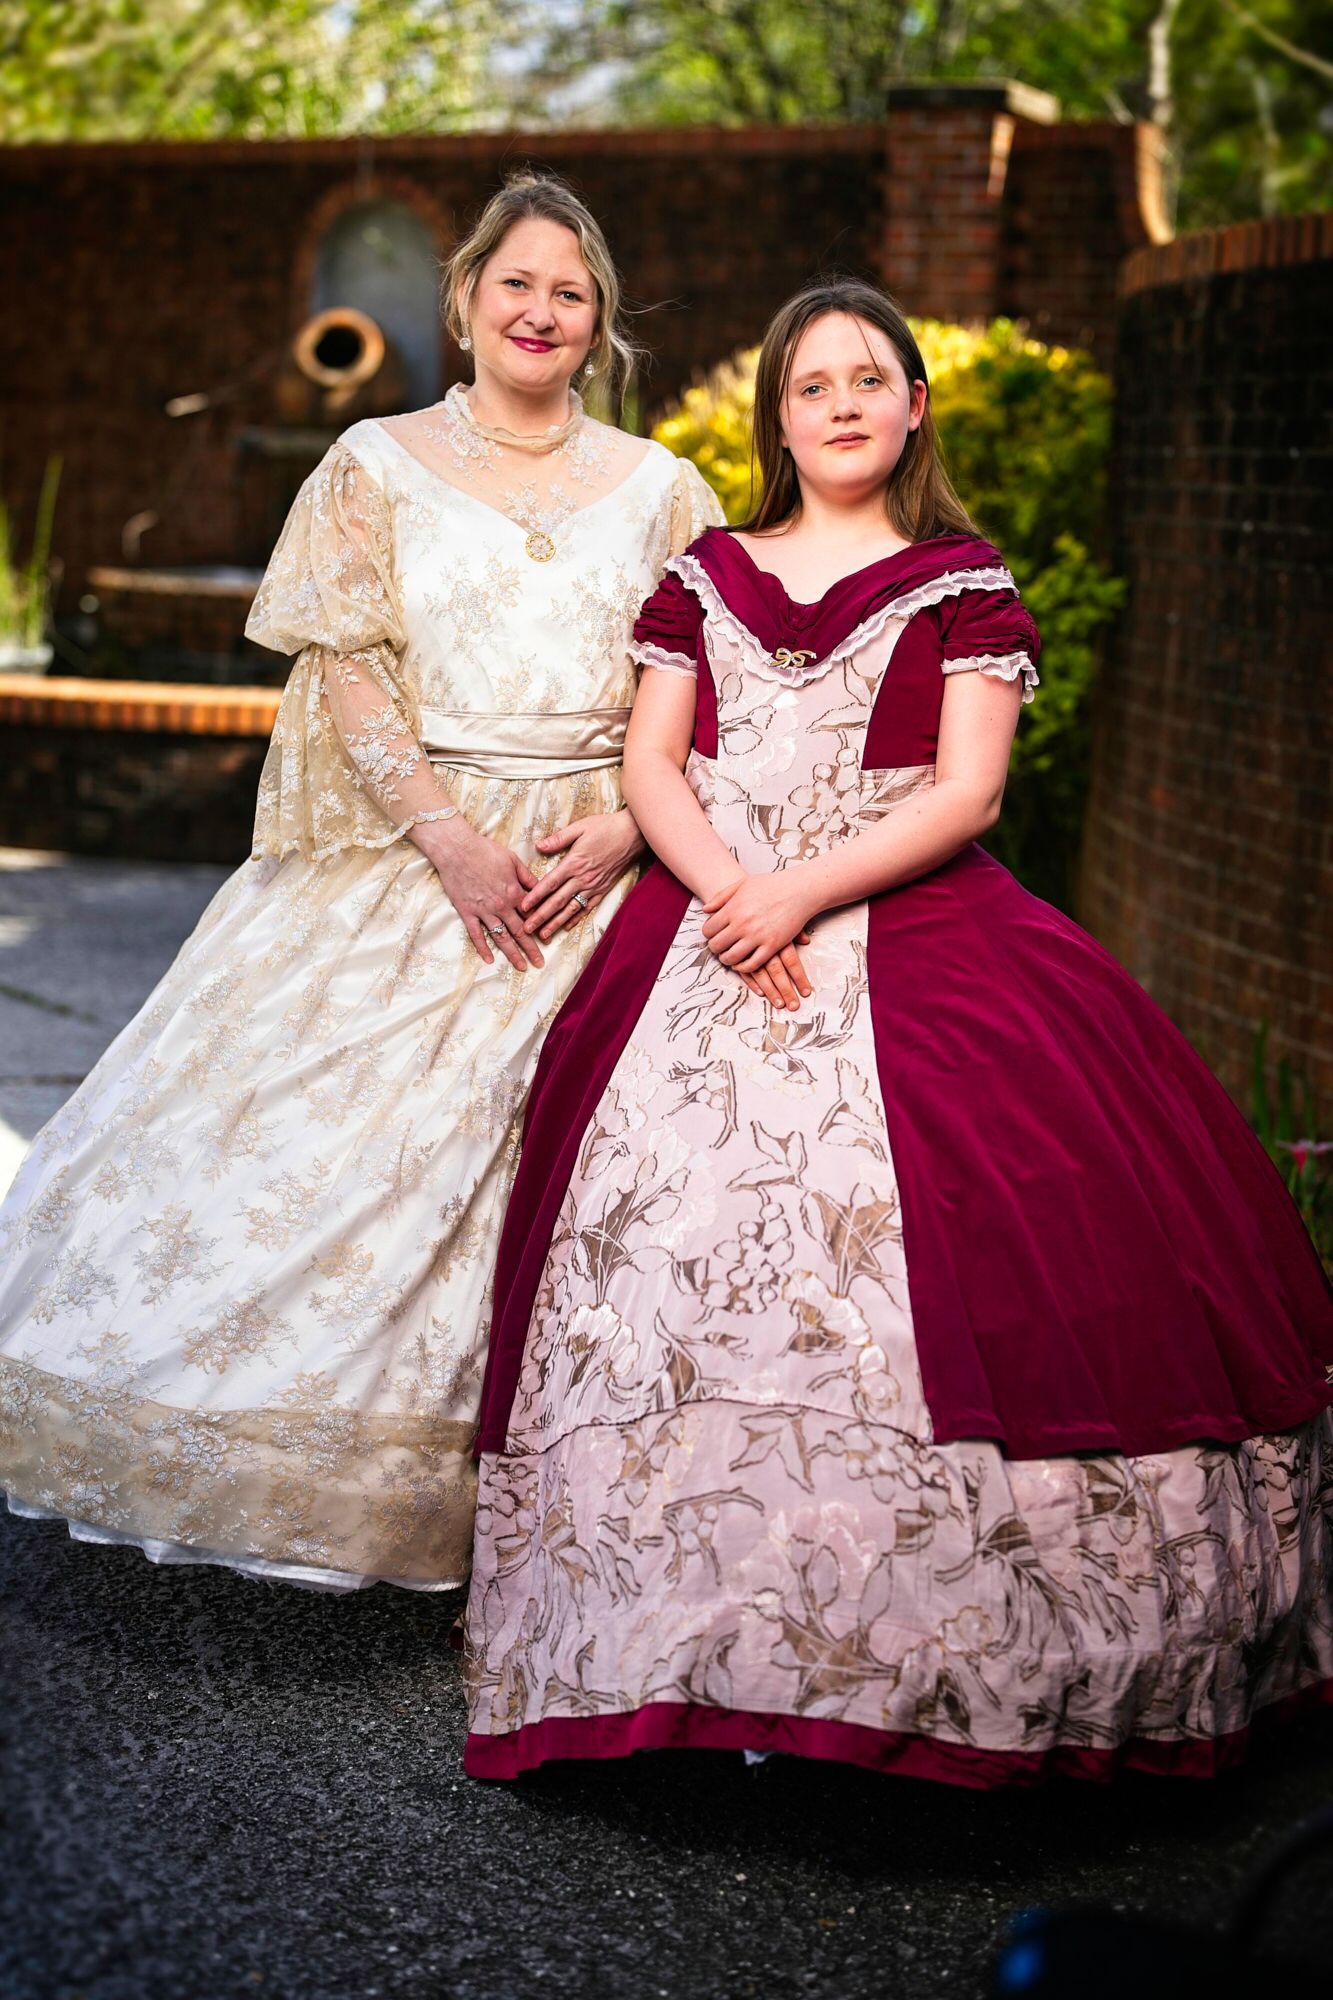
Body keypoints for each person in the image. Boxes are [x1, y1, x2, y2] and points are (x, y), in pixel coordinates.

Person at [462, 277, 1333, 1782]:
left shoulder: (960, 584)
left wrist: (800, 891)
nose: (843, 405)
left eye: (869, 379)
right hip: (704, 917)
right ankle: (667, 1650)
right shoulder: (706, 575)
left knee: (978, 1230)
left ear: (915, 408)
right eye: (812, 386)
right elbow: (655, 763)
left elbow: (966, 792)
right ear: (778, 419)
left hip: (902, 916)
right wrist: (730, 892)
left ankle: (934, 1662)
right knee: (649, 1256)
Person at [0, 171, 722, 1591]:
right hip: (418, 847)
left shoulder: (665, 490)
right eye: (516, 284)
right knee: (312, 1157)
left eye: (570, 293)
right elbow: (347, 670)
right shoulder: (372, 461)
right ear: (463, 297)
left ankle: (552, 1494)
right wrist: (447, 839)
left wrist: (634, 831)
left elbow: (702, 687)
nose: (540, 311)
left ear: (600, 323)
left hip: (598, 853)